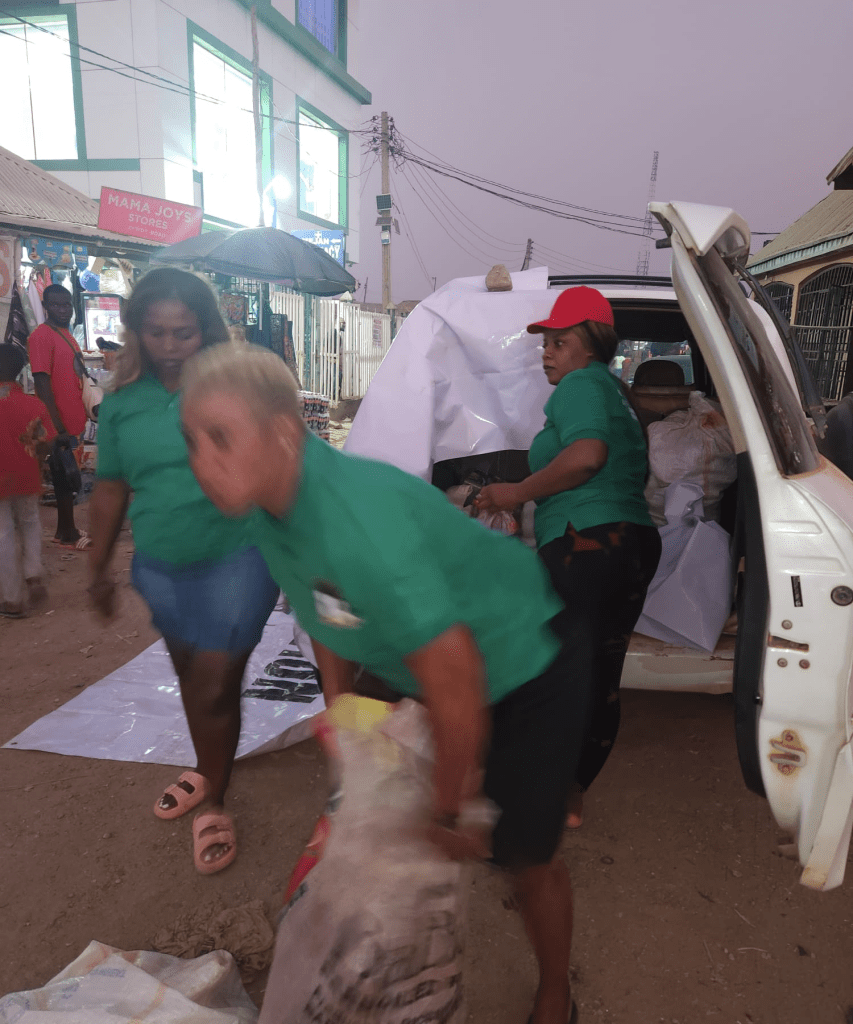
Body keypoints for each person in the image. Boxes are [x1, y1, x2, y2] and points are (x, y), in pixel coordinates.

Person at [181, 344, 587, 1024]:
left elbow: (456, 684)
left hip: (520, 654)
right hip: (424, 656)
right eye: (191, 441)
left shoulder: (358, 523)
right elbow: (325, 610)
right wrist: (344, 714)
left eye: (220, 438)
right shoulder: (268, 509)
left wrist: (449, 811)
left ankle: (553, 991)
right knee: (373, 802)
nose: (201, 463)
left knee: (522, 850)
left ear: (284, 433)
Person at [87, 268, 279, 875]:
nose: (170, 346)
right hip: (162, 565)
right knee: (192, 676)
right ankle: (207, 767)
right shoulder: (120, 405)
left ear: (208, 331)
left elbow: (284, 465)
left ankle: (216, 801)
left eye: (185, 333)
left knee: (217, 682)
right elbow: (112, 486)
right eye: (157, 332)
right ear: (137, 332)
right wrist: (96, 566)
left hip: (239, 554)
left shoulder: (239, 388)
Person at [476, 287, 662, 830]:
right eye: (546, 342)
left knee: (545, 668)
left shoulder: (581, 385)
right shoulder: (615, 393)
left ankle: (524, 798)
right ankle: (570, 795)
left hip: (588, 542)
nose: (547, 351)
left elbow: (586, 457)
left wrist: (516, 492)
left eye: (560, 341)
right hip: (628, 545)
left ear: (591, 346)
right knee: (597, 671)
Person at [28, 283, 91, 550]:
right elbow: (42, 383)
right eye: (56, 305)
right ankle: (68, 534)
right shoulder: (41, 336)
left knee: (66, 476)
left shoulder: (65, 333)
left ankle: (65, 529)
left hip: (72, 419)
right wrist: (57, 425)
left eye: (67, 304)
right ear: (45, 307)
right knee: (63, 476)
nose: (63, 309)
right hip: (59, 422)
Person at [0, 344, 55, 618]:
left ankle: (11, 600)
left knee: (3, 534)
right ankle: (33, 574)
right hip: (27, 473)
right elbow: (48, 440)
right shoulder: (34, 404)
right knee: (31, 523)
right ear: (21, 369)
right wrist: (37, 460)